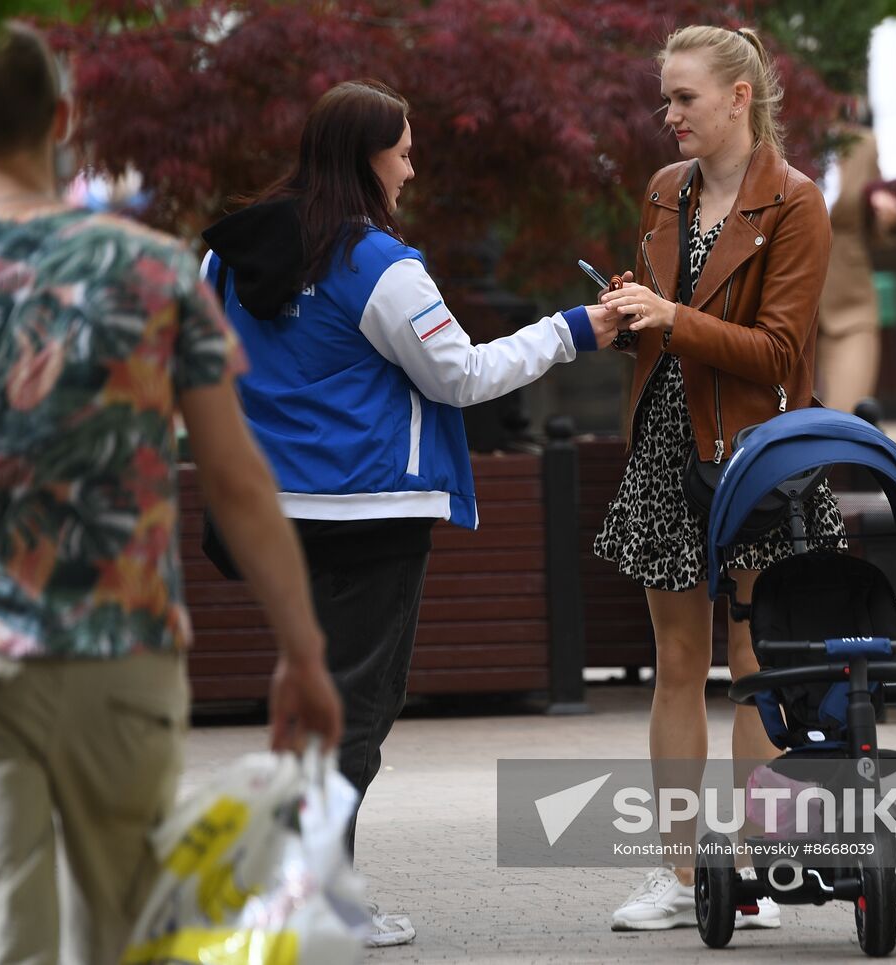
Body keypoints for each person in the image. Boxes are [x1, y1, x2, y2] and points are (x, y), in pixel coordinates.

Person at [0, 23, 342, 965]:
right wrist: (302, 651)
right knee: (126, 938)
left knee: (8, 939)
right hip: (122, 656)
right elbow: (239, 480)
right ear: (61, 116)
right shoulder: (154, 270)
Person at [200, 78, 615, 947]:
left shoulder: (226, 256)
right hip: (366, 513)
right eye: (403, 149)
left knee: (306, 704)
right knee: (353, 714)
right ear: (366, 157)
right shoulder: (380, 266)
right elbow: (457, 375)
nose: (414, 167)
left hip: (266, 513)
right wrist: (575, 327)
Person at [593, 25, 838, 932]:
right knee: (676, 666)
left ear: (739, 97)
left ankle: (757, 869)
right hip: (666, 438)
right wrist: (634, 311)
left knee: (756, 664)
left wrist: (672, 315)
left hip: (758, 449)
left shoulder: (797, 202)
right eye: (666, 99)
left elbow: (778, 350)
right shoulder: (665, 192)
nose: (669, 116)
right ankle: (682, 872)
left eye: (685, 98)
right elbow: (670, 315)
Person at [816, 118, 896, 413]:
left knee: (844, 426)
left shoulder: (862, 144)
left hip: (849, 301)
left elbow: (874, 223)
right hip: (779, 306)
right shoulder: (767, 135)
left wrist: (888, 216)